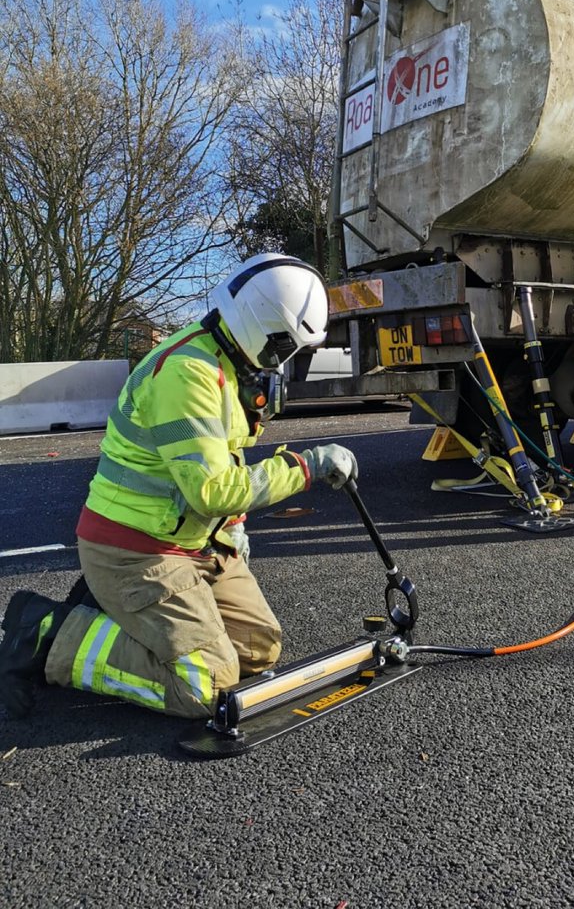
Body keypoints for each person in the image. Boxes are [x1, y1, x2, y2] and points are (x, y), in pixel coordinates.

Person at [0, 253, 359, 720]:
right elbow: (211, 490)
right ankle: (47, 633)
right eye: (284, 347)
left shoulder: (228, 364)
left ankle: (123, 619)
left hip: (193, 545)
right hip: (135, 552)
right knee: (205, 686)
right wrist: (306, 466)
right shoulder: (186, 374)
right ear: (261, 329)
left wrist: (233, 529)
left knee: (258, 650)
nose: (285, 360)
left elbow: (222, 460)